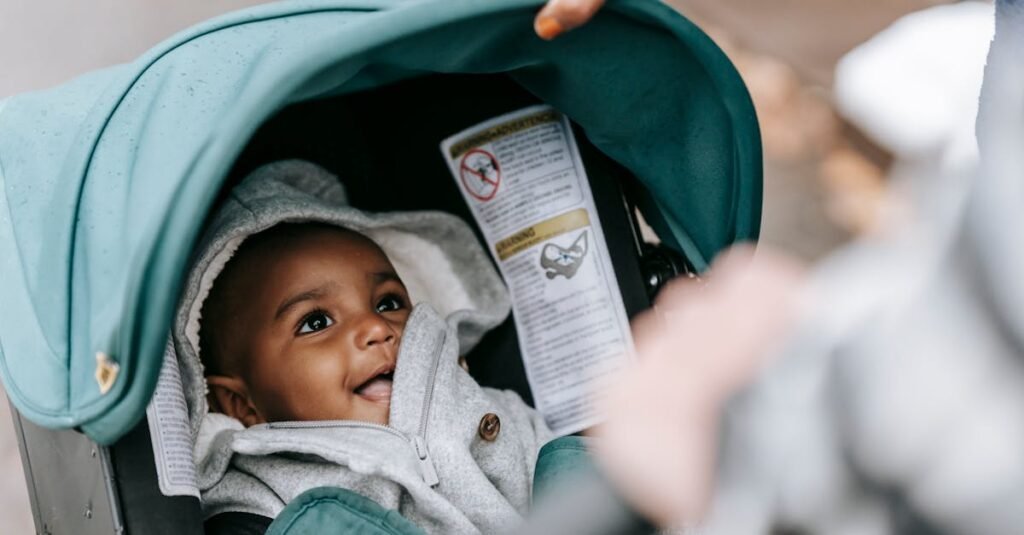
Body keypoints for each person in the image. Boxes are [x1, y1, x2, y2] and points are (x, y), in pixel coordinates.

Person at [172, 160, 556, 534]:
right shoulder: (260, 498)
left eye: (388, 303)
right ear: (243, 405)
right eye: (316, 322)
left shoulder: (487, 410)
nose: (376, 326)